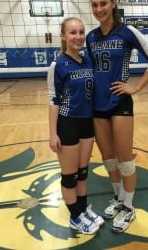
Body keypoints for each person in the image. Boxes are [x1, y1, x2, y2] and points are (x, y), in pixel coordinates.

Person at [86, 0, 148, 233]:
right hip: (97, 106)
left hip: (120, 103)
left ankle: (129, 207)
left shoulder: (127, 32)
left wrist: (136, 88)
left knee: (124, 160)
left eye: (103, 4)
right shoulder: (90, 37)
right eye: (95, 5)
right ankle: (119, 199)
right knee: (108, 160)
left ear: (113, 3)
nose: (99, 9)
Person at [47, 17, 104, 235]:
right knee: (69, 175)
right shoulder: (58, 65)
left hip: (86, 123)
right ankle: (75, 217)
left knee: (83, 173)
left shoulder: (88, 60)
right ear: (63, 35)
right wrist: (53, 134)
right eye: (73, 32)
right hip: (67, 123)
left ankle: (82, 210)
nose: (78, 37)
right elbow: (53, 101)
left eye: (81, 32)